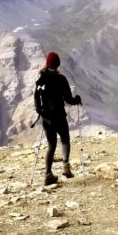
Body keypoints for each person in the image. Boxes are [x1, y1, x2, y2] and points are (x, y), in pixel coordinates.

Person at [33, 51, 82, 186]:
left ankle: (48, 175)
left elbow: (36, 98)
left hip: (46, 118)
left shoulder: (40, 79)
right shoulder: (61, 79)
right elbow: (68, 99)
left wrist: (40, 110)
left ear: (47, 64)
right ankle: (66, 168)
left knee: (51, 146)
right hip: (59, 116)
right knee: (65, 139)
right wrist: (77, 99)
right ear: (57, 64)